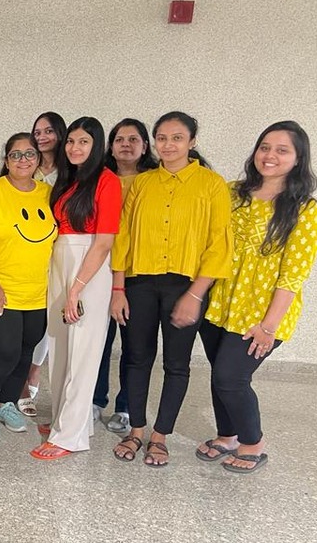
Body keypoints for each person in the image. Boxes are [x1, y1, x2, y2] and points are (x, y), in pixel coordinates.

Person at [196, 121, 317, 473]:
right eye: (265, 147)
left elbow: (293, 276)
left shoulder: (305, 211)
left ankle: (252, 442)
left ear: (298, 159)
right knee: (219, 374)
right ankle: (227, 435)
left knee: (231, 378)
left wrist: (269, 327)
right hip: (219, 303)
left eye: (282, 150)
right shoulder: (232, 193)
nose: (270, 155)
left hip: (261, 315)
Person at [111, 111, 233, 466]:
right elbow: (123, 236)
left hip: (187, 286)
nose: (168, 145)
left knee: (177, 364)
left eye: (177, 138)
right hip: (139, 283)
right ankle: (136, 430)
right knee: (136, 358)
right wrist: (118, 289)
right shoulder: (143, 183)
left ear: (192, 141)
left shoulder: (212, 184)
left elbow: (219, 244)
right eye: (162, 138)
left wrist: (196, 295)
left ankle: (160, 436)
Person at [31, 117, 121, 460]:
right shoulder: (69, 180)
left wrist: (76, 289)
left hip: (89, 269)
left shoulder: (107, 181)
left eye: (83, 142)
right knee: (60, 345)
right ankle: (66, 420)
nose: (74, 148)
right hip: (61, 260)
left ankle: (69, 437)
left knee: (84, 350)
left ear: (96, 145)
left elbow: (104, 243)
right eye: (70, 141)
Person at [0, 133, 57, 442]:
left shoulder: (48, 194)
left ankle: (7, 404)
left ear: (38, 160)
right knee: (3, 355)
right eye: (16, 155)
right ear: (6, 161)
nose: (23, 160)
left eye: (29, 154)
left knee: (24, 353)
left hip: (37, 293)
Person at [93, 119, 158, 434]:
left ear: (145, 146)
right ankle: (94, 400)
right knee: (98, 342)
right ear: (111, 146)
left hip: (138, 273)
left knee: (135, 346)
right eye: (120, 139)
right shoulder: (99, 179)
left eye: (134, 139)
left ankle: (126, 407)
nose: (126, 145)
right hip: (99, 269)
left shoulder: (155, 182)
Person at [18, 111, 67, 415]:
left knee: (50, 317)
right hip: (26, 254)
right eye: (37, 132)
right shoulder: (25, 167)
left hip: (60, 251)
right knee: (29, 316)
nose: (42, 137)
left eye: (48, 131)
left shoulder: (70, 171)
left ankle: (34, 373)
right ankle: (20, 379)